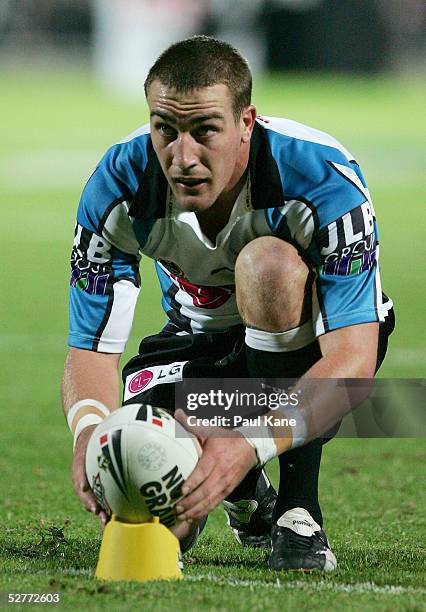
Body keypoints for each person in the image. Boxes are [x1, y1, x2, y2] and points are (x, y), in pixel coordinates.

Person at [62, 35, 394, 572]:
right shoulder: (116, 184)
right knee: (146, 480)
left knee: (268, 266)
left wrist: (248, 439)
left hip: (311, 344)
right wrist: (90, 433)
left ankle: (297, 511)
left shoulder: (321, 179)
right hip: (198, 339)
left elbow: (353, 359)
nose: (182, 156)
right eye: (164, 129)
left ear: (246, 123)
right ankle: (247, 494)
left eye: (205, 130)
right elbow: (92, 349)